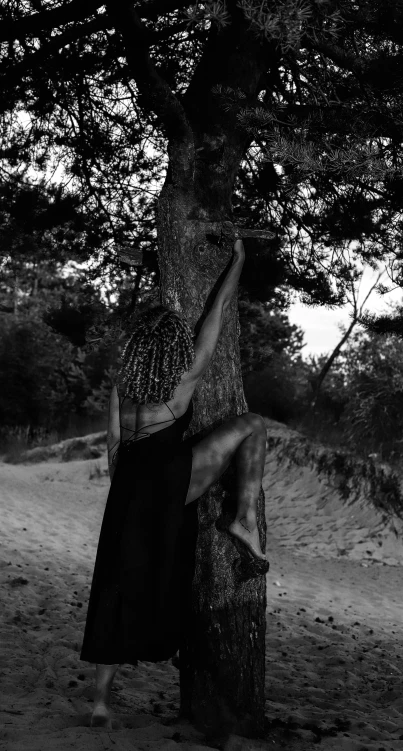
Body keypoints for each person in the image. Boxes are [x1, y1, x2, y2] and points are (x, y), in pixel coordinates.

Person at [79, 238, 268, 729]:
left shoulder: (124, 387)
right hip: (170, 477)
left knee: (116, 585)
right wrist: (239, 261)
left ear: (141, 351)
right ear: (176, 348)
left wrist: (131, 496)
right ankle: (244, 519)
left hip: (128, 488)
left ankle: (100, 700)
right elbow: (219, 309)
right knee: (251, 424)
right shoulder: (186, 375)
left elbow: (113, 446)